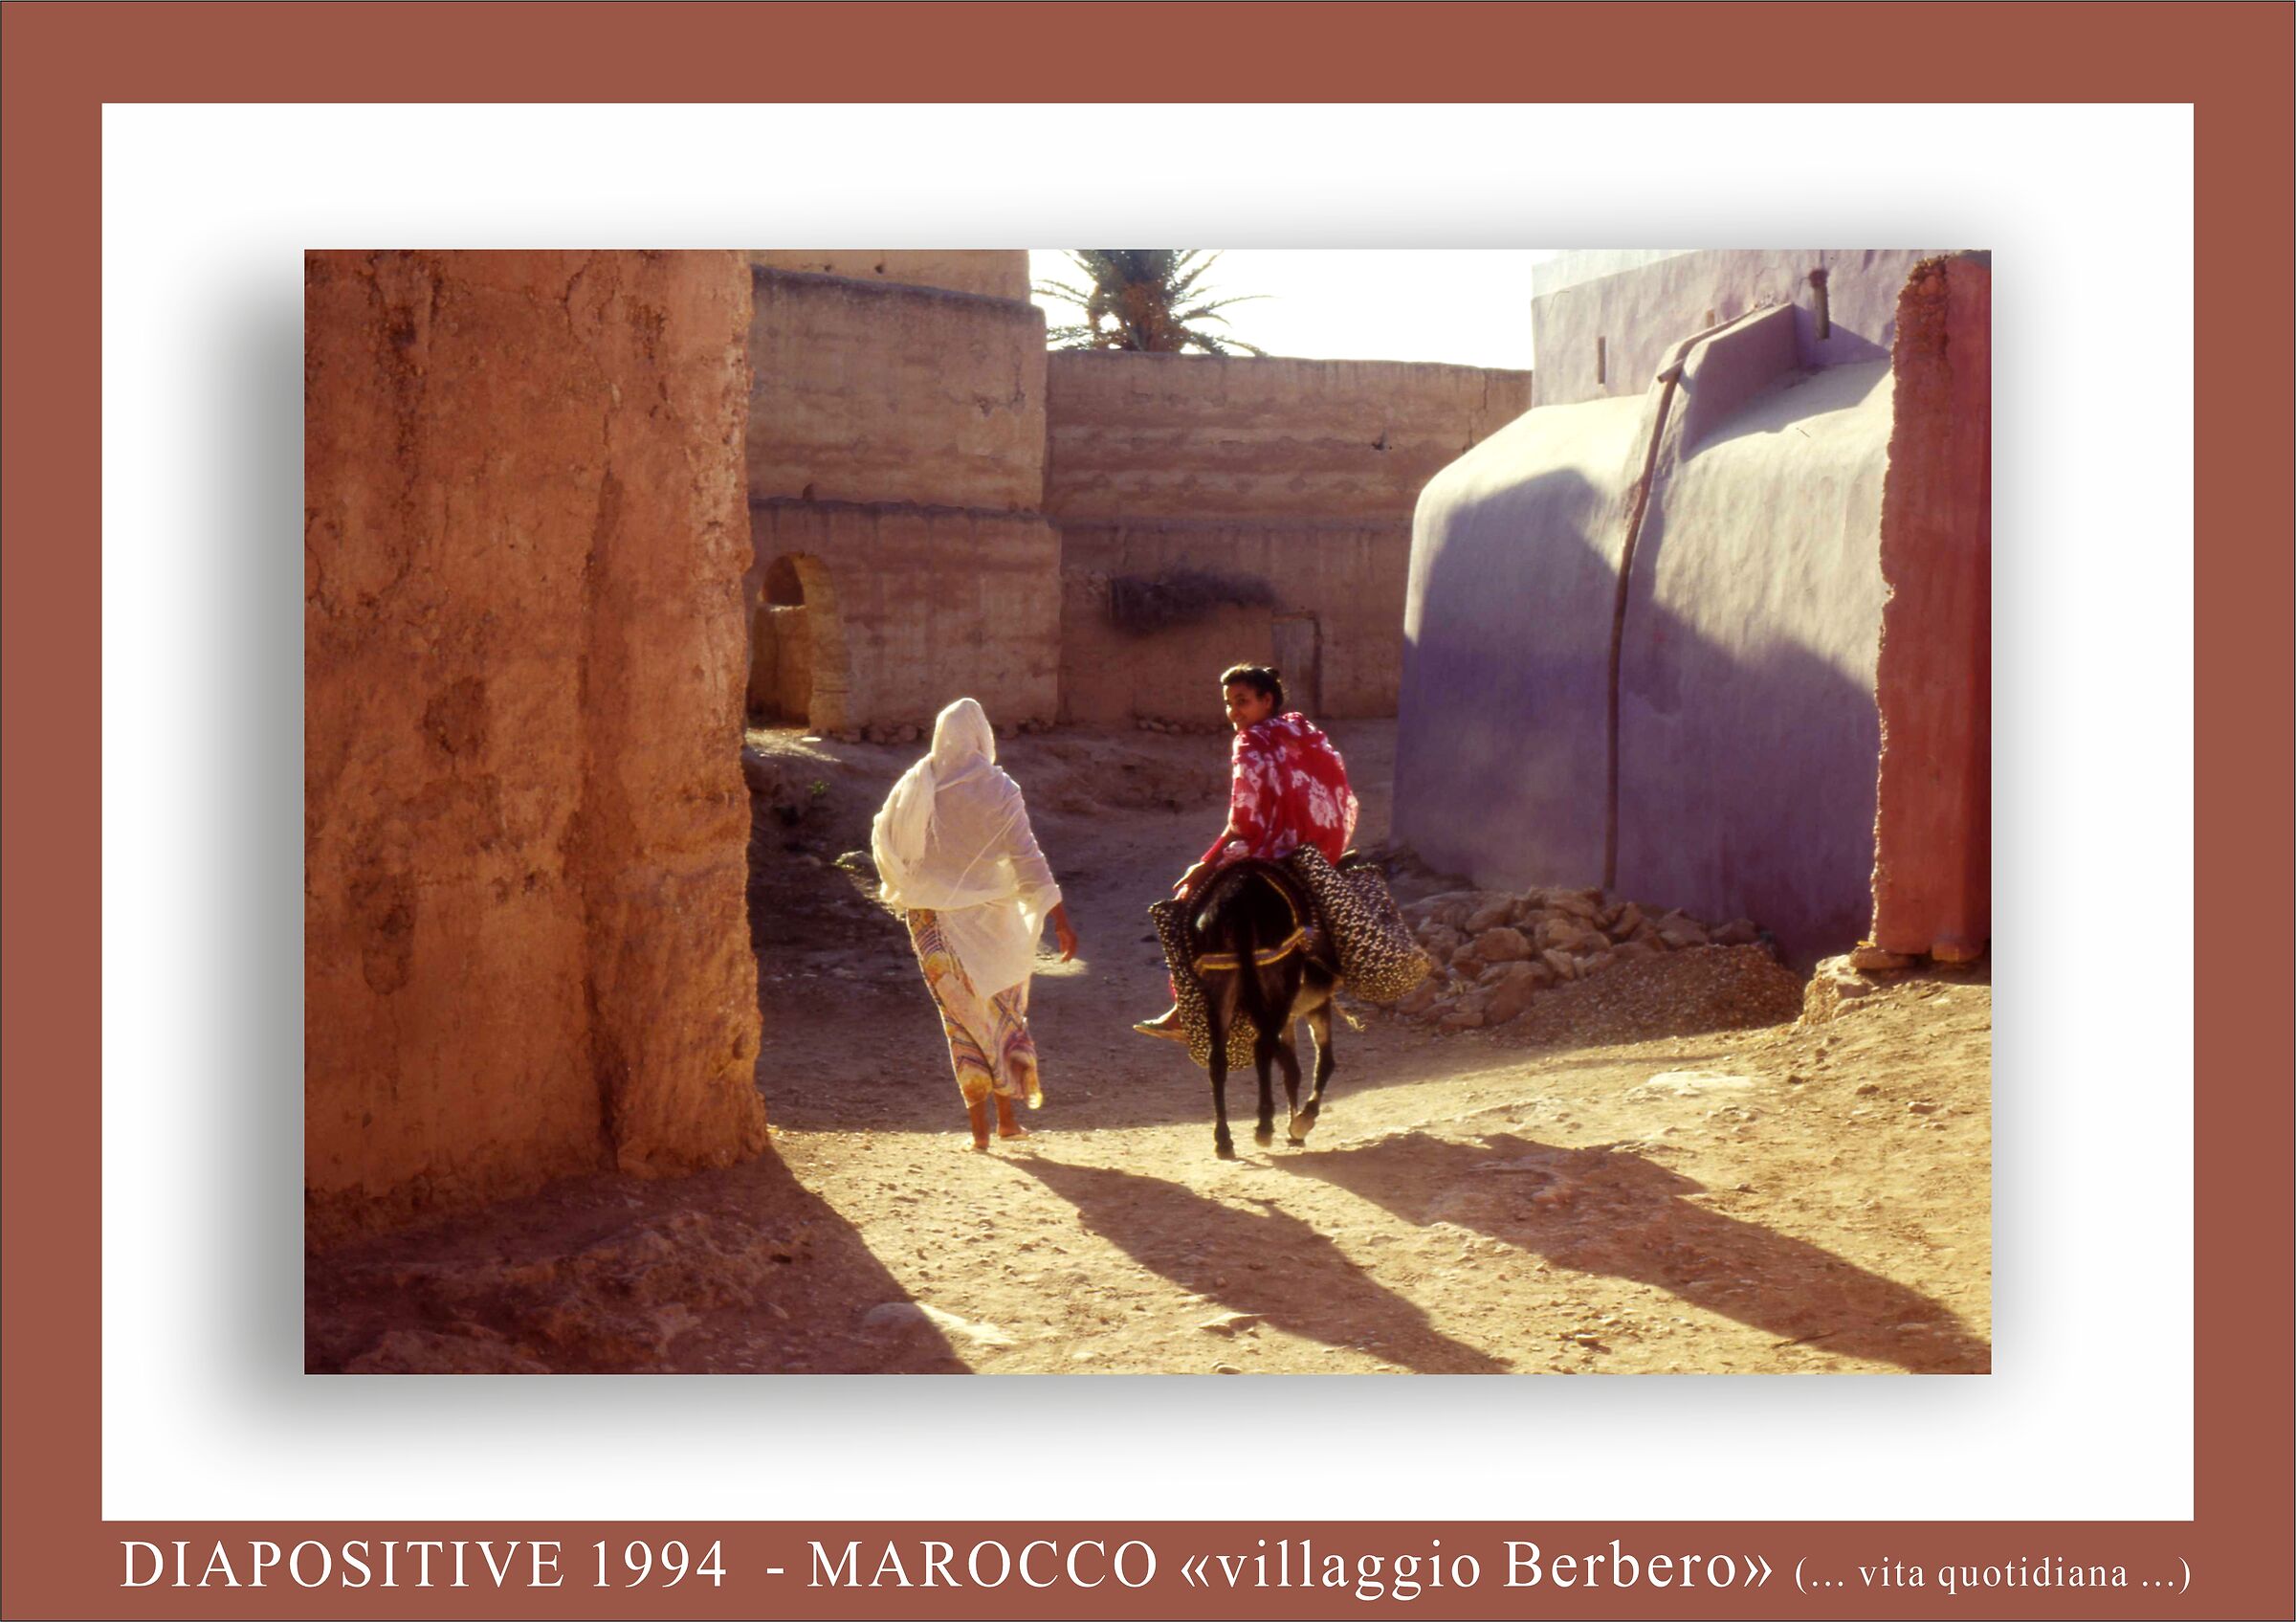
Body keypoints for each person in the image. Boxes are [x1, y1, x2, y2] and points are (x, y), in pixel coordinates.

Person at [872, 698, 1079, 1149]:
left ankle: (982, 1132)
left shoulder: (916, 784)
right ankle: (1006, 1121)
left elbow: (884, 840)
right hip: (993, 923)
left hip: (930, 922)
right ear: (983, 737)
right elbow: (1028, 858)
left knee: (960, 1023)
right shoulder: (999, 788)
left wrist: (914, 884)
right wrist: (1060, 920)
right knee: (1002, 1016)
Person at [1135, 664, 1359, 1039]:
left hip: (1274, 846)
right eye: (1229, 703)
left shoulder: (1250, 741)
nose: (1234, 712)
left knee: (1186, 901)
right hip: (1321, 846)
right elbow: (1341, 789)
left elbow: (1242, 821)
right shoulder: (1301, 729)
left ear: (1266, 700)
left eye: (1242, 701)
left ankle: (1184, 1010)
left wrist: (1204, 865)